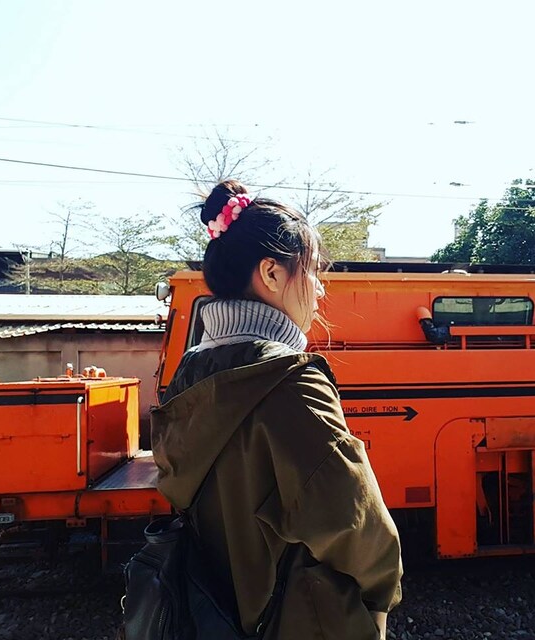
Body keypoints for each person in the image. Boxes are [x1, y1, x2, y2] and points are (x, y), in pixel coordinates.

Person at [151, 179, 403, 640]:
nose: (319, 290)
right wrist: (377, 607)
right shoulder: (291, 382)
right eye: (312, 271)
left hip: (211, 614)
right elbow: (358, 528)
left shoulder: (189, 373)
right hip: (295, 621)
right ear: (270, 273)